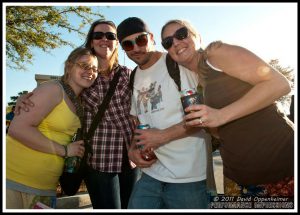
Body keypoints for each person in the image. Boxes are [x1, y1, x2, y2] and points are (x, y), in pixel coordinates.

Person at [13, 20, 139, 209]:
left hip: (131, 159)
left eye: (111, 36)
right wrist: (25, 97)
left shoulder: (129, 74)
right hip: (99, 160)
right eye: (98, 35)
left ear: (117, 42)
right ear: (91, 41)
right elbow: (59, 92)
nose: (104, 39)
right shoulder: (83, 76)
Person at [161, 19, 294, 197]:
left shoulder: (215, 55)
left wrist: (221, 115)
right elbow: (221, 131)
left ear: (196, 36)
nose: (176, 42)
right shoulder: (196, 83)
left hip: (281, 170)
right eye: (168, 42)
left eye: (181, 34)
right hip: (237, 178)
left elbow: (279, 84)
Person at [117, 17, 215, 209]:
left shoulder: (176, 61)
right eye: (128, 44)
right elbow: (138, 121)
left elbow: (202, 115)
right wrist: (132, 149)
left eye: (141, 40)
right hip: (152, 174)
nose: (136, 48)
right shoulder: (134, 76)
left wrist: (162, 136)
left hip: (189, 176)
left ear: (151, 38)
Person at [6, 47, 97, 209]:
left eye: (95, 69)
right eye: (84, 66)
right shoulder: (54, 89)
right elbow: (18, 129)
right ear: (69, 66)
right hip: (14, 182)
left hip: (45, 187)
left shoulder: (79, 102)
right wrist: (65, 150)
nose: (90, 71)